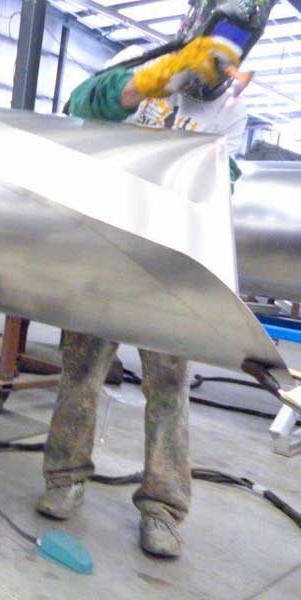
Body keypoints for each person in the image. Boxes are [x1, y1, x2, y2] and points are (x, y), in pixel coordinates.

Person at [35, 0, 277, 558]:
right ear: (192, 26)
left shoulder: (230, 111)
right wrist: (150, 81)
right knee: (81, 372)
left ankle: (163, 508)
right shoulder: (136, 65)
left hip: (167, 262)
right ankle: (64, 477)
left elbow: (223, 182)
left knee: (168, 387)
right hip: (105, 252)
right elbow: (79, 107)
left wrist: (218, 172)